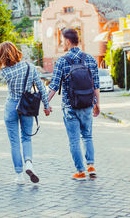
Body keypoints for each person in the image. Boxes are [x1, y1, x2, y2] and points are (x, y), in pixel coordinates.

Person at [0, 41, 52, 185]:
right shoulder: (30, 67)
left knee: (14, 143)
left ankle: (19, 175)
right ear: (15, 51)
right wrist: (46, 105)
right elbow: (42, 88)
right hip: (27, 106)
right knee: (26, 138)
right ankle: (29, 164)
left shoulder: (5, 71)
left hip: (11, 106)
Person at [48, 28, 100, 180]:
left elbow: (54, 86)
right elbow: (95, 85)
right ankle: (91, 166)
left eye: (62, 40)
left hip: (69, 107)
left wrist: (45, 102)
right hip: (87, 104)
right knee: (88, 136)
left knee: (74, 140)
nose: (61, 43)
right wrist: (97, 104)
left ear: (68, 41)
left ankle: (80, 171)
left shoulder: (62, 61)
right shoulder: (90, 59)